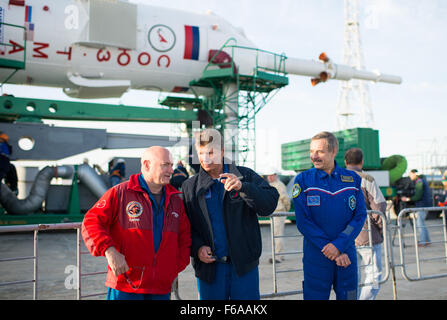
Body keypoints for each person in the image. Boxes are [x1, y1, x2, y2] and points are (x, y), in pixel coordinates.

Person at [81, 146, 191, 300]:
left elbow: (184, 238)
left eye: (171, 165)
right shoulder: (120, 193)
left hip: (161, 288)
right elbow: (91, 222)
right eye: (165, 165)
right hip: (126, 286)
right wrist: (109, 251)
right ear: (147, 165)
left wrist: (172, 268)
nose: (171, 170)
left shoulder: (175, 201)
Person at [182, 128, 279, 300]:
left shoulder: (245, 175)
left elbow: (269, 205)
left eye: (211, 152)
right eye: (201, 153)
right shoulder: (190, 186)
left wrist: (244, 188)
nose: (205, 159)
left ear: (222, 151)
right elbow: (185, 225)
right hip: (210, 269)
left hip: (243, 267)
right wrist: (197, 248)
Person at [292, 131, 367, 300]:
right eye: (311, 151)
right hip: (317, 256)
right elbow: (304, 222)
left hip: (346, 255)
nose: (314, 156)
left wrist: (339, 245)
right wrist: (331, 248)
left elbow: (359, 216)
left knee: (349, 297)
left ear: (334, 151)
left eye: (320, 151)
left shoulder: (352, 179)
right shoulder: (303, 180)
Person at [344, 147, 386, 300]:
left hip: (344, 237)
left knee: (350, 275)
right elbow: (379, 208)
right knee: (374, 274)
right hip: (367, 235)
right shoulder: (367, 179)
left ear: (345, 162)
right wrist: (379, 230)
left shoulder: (336, 179)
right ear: (362, 162)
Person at [265, 167, 291, 264]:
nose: (270, 177)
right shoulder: (271, 185)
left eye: (272, 175)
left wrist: (286, 210)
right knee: (276, 234)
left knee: (277, 234)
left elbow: (285, 198)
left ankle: (278, 256)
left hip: (278, 212)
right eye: (269, 175)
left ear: (275, 175)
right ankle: (280, 254)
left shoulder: (279, 185)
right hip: (274, 212)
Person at [401, 169, 433, 247]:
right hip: (425, 205)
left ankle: (422, 242)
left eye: (411, 174)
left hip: (422, 205)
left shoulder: (419, 182)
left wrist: (408, 199)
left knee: (420, 223)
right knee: (422, 223)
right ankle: (427, 240)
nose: (410, 176)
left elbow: (418, 196)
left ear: (415, 174)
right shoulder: (421, 181)